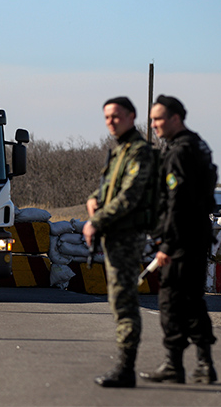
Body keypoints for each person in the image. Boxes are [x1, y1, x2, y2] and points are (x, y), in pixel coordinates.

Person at [139, 95, 217, 384]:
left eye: (158, 119)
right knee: (193, 300)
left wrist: (168, 245)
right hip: (197, 237)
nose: (153, 125)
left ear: (175, 118)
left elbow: (178, 202)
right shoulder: (198, 145)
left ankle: (174, 363)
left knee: (171, 301)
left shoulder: (180, 151)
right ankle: (204, 363)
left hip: (182, 240)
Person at [83, 97, 155, 388]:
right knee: (118, 300)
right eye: (107, 117)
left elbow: (130, 196)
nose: (111, 121)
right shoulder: (120, 152)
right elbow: (110, 191)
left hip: (127, 236)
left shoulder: (139, 152)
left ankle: (126, 368)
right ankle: (124, 365)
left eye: (116, 116)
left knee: (124, 301)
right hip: (114, 235)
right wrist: (93, 201)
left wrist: (96, 222)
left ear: (131, 116)